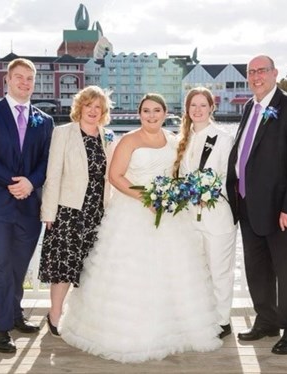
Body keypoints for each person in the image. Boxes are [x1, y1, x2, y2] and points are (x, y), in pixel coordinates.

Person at [60, 93, 222, 363]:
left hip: (168, 215)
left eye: (156, 110)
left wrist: (171, 197)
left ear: (165, 112)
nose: (151, 115)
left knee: (174, 271)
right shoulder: (129, 140)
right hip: (133, 212)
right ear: (139, 113)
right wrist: (147, 198)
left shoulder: (173, 140)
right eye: (146, 111)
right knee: (132, 272)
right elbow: (115, 176)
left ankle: (176, 330)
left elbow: (178, 174)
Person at [226, 55, 287, 355]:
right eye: (251, 72)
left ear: (275, 73)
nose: (255, 76)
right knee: (257, 269)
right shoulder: (251, 107)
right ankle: (267, 321)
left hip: (283, 211)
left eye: (261, 71)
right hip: (249, 206)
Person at [0, 58, 54, 353]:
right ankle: (0, 327)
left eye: (30, 78)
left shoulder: (45, 120)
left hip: (29, 205)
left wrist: (30, 183)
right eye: (19, 77)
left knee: (18, 265)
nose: (25, 83)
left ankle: (15, 315)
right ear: (8, 79)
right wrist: (13, 182)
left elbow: (46, 161)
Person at [38, 86, 115, 337]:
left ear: (103, 112)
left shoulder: (107, 136)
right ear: (79, 107)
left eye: (98, 107)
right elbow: (53, 174)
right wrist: (49, 212)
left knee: (89, 268)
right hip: (68, 212)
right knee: (64, 268)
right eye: (88, 105)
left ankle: (82, 319)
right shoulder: (63, 133)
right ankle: (55, 314)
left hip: (96, 213)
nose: (93, 111)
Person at [172, 87, 237, 339]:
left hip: (216, 216)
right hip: (188, 218)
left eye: (203, 105)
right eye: (193, 105)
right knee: (197, 270)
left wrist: (206, 191)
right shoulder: (183, 139)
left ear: (212, 107)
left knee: (219, 270)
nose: (197, 110)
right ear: (187, 110)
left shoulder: (223, 139)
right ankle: (200, 317)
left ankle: (222, 320)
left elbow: (228, 177)